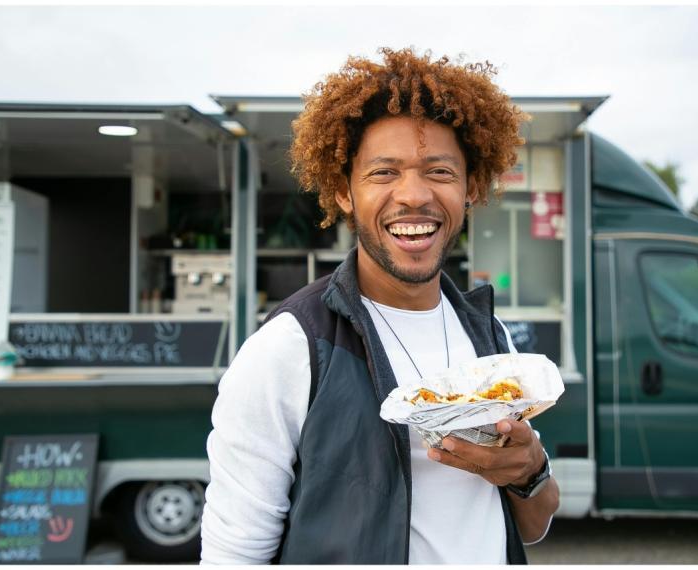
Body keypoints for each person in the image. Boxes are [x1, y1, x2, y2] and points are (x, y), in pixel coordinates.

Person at [200, 47, 560, 565]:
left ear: (471, 187)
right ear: (344, 191)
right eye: (383, 173)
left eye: (439, 171)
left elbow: (532, 526)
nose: (413, 195)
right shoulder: (291, 347)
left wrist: (530, 471)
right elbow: (233, 554)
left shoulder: (491, 338)